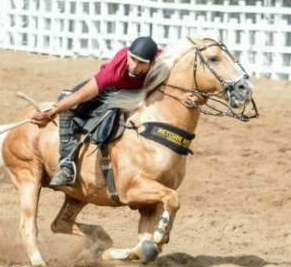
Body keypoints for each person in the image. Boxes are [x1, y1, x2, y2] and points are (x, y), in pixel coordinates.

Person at [30, 36, 204, 188]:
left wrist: (198, 98)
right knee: (68, 103)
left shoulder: (163, 63)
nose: (134, 66)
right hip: (111, 87)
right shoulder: (114, 71)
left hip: (139, 90)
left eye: (141, 63)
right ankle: (67, 163)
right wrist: (53, 111)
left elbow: (185, 81)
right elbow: (81, 95)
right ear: (128, 54)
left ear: (152, 63)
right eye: (132, 59)